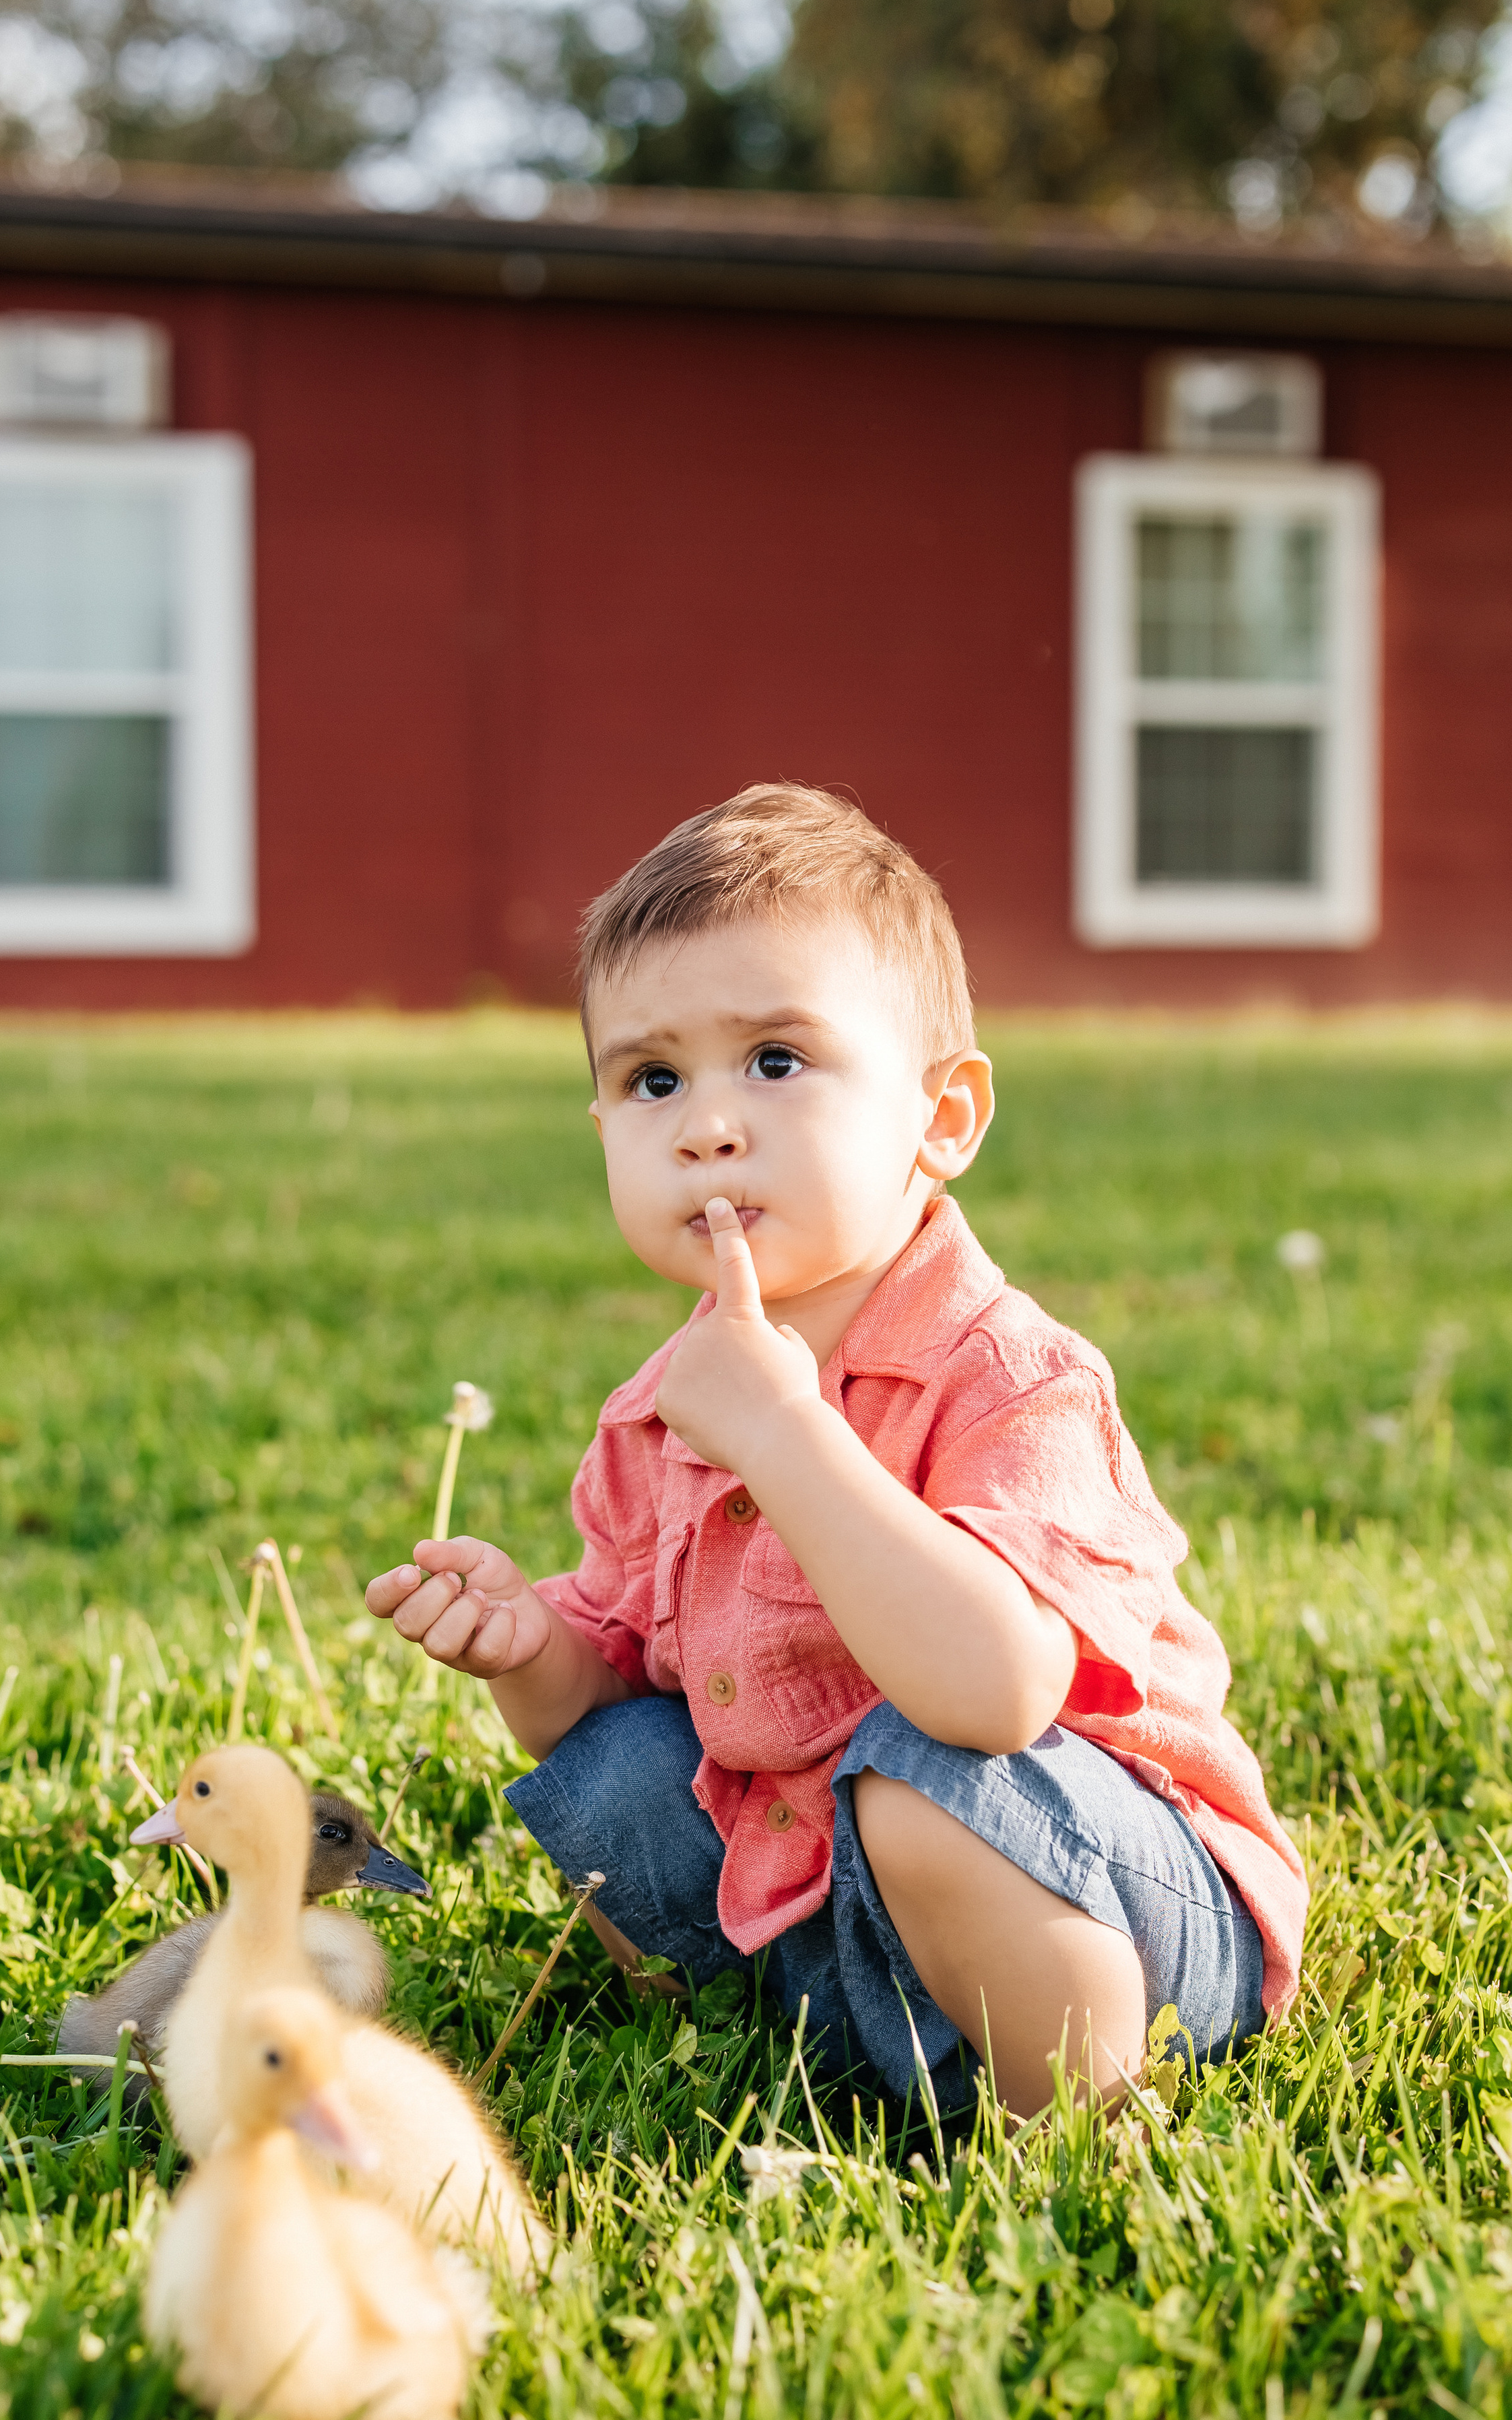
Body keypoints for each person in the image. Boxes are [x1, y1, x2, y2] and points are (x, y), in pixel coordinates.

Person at [366, 785, 1307, 2117]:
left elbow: (990, 1698)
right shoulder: (662, 1411)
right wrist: (533, 1649)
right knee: (612, 1772)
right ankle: (811, 2048)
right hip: (836, 1892)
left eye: (773, 1060)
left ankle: (1078, 2124)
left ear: (943, 1120)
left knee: (912, 1778)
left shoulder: (1009, 1378)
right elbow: (618, 1685)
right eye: (651, 1080)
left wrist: (788, 1435)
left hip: (1114, 1904)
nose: (706, 1124)